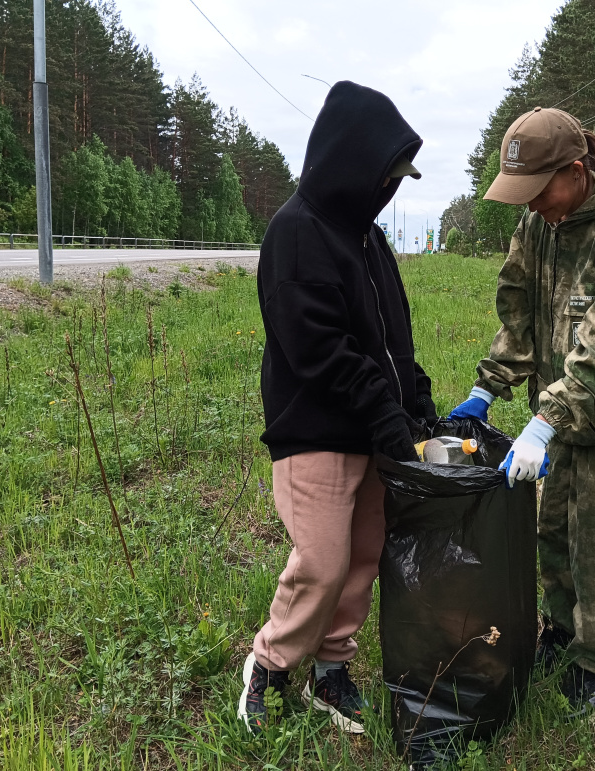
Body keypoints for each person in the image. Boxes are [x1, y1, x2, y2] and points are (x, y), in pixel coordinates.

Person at [450, 107, 595, 715]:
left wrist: (544, 420)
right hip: (556, 416)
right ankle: (562, 631)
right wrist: (490, 387)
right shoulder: (538, 225)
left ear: (576, 171)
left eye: (540, 191)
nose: (534, 206)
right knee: (553, 532)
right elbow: (518, 308)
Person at [238, 81, 436, 735]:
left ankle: (333, 670)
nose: (391, 189)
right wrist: (385, 412)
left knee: (362, 556)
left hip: (372, 432)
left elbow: (387, 336)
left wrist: (416, 398)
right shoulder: (297, 233)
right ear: (353, 160)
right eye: (387, 174)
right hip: (315, 432)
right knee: (321, 560)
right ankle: (269, 665)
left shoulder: (367, 240)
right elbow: (319, 349)